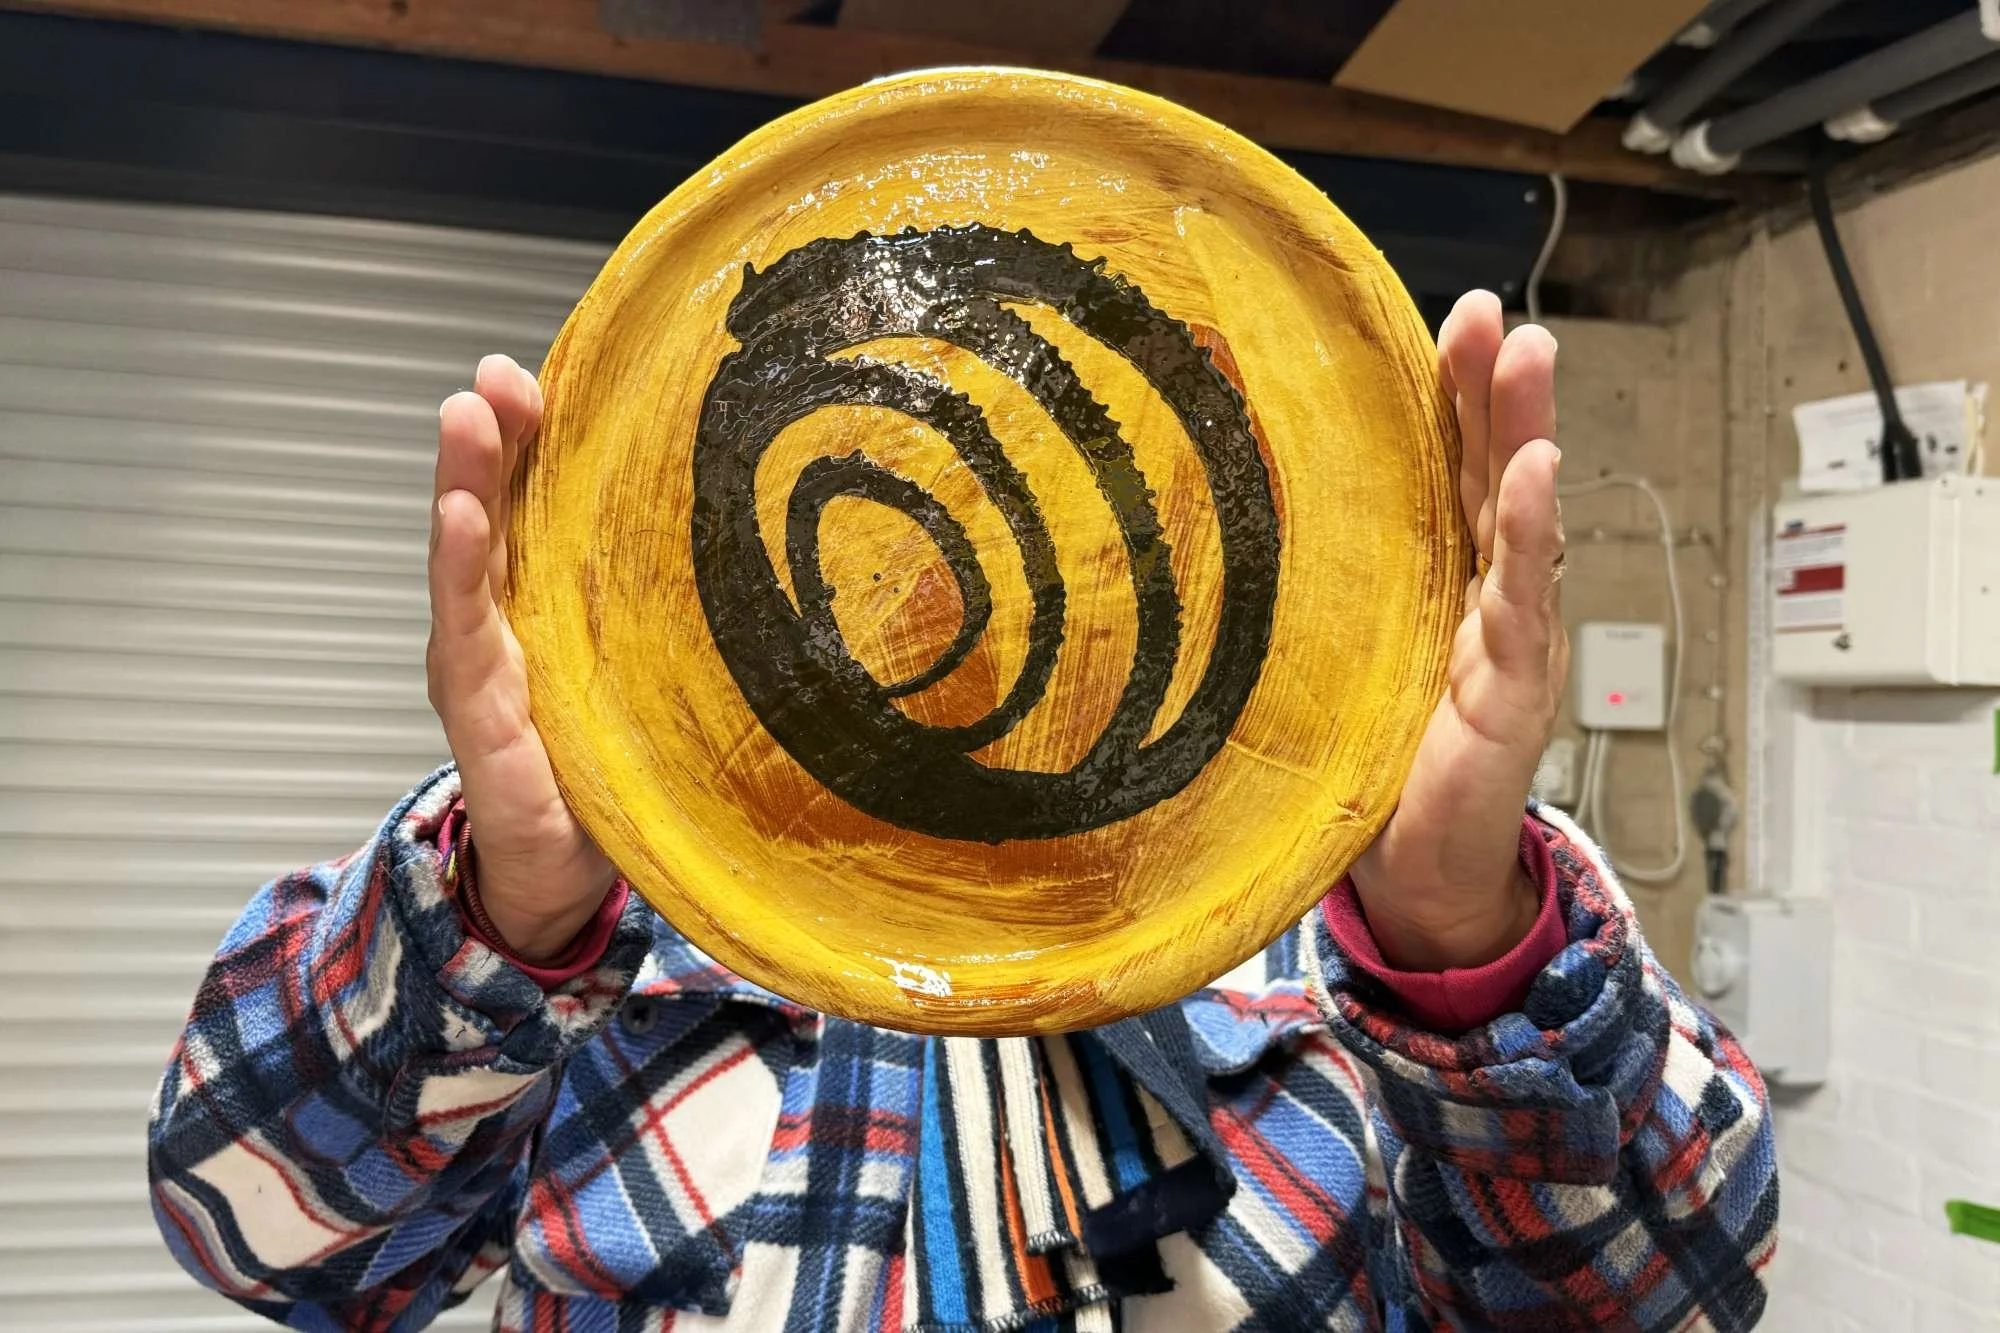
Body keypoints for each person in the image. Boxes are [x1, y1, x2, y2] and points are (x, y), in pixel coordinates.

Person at [146, 291, 1777, 1332]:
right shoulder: (611, 889)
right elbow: (262, 1231)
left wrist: (1455, 937)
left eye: (1096, 493)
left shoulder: (1348, 901)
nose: (968, 573)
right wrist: (509, 915)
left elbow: (1677, 1298)